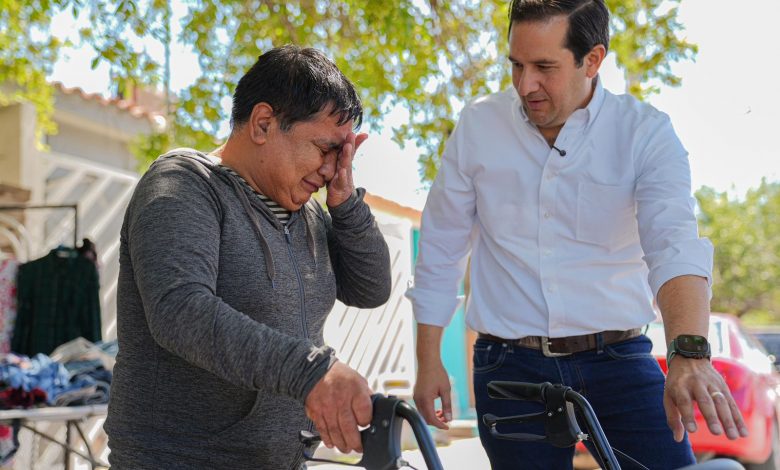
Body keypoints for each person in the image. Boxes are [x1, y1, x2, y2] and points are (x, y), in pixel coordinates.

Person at [408, 1, 749, 469]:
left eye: (544, 67)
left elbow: (673, 246)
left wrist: (689, 352)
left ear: (592, 60)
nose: (525, 85)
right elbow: (441, 249)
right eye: (516, 65)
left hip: (620, 359)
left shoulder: (645, 132)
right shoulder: (478, 126)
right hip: (508, 366)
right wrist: (429, 361)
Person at [104, 45, 392, 469]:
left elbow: (372, 289)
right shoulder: (182, 184)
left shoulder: (309, 213)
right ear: (263, 124)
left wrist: (346, 204)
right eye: (324, 149)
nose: (331, 169)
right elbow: (179, 311)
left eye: (341, 154)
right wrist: (311, 372)